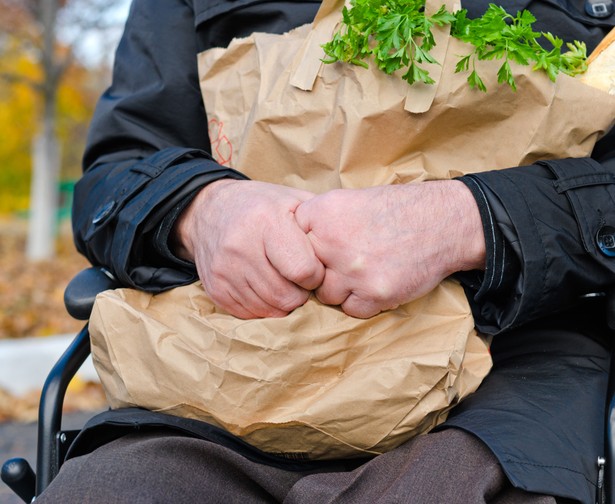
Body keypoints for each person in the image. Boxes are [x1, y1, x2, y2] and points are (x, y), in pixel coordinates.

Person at [36, 1, 615, 503]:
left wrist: (469, 222)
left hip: (505, 372)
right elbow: (115, 171)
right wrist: (199, 209)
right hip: (231, 365)